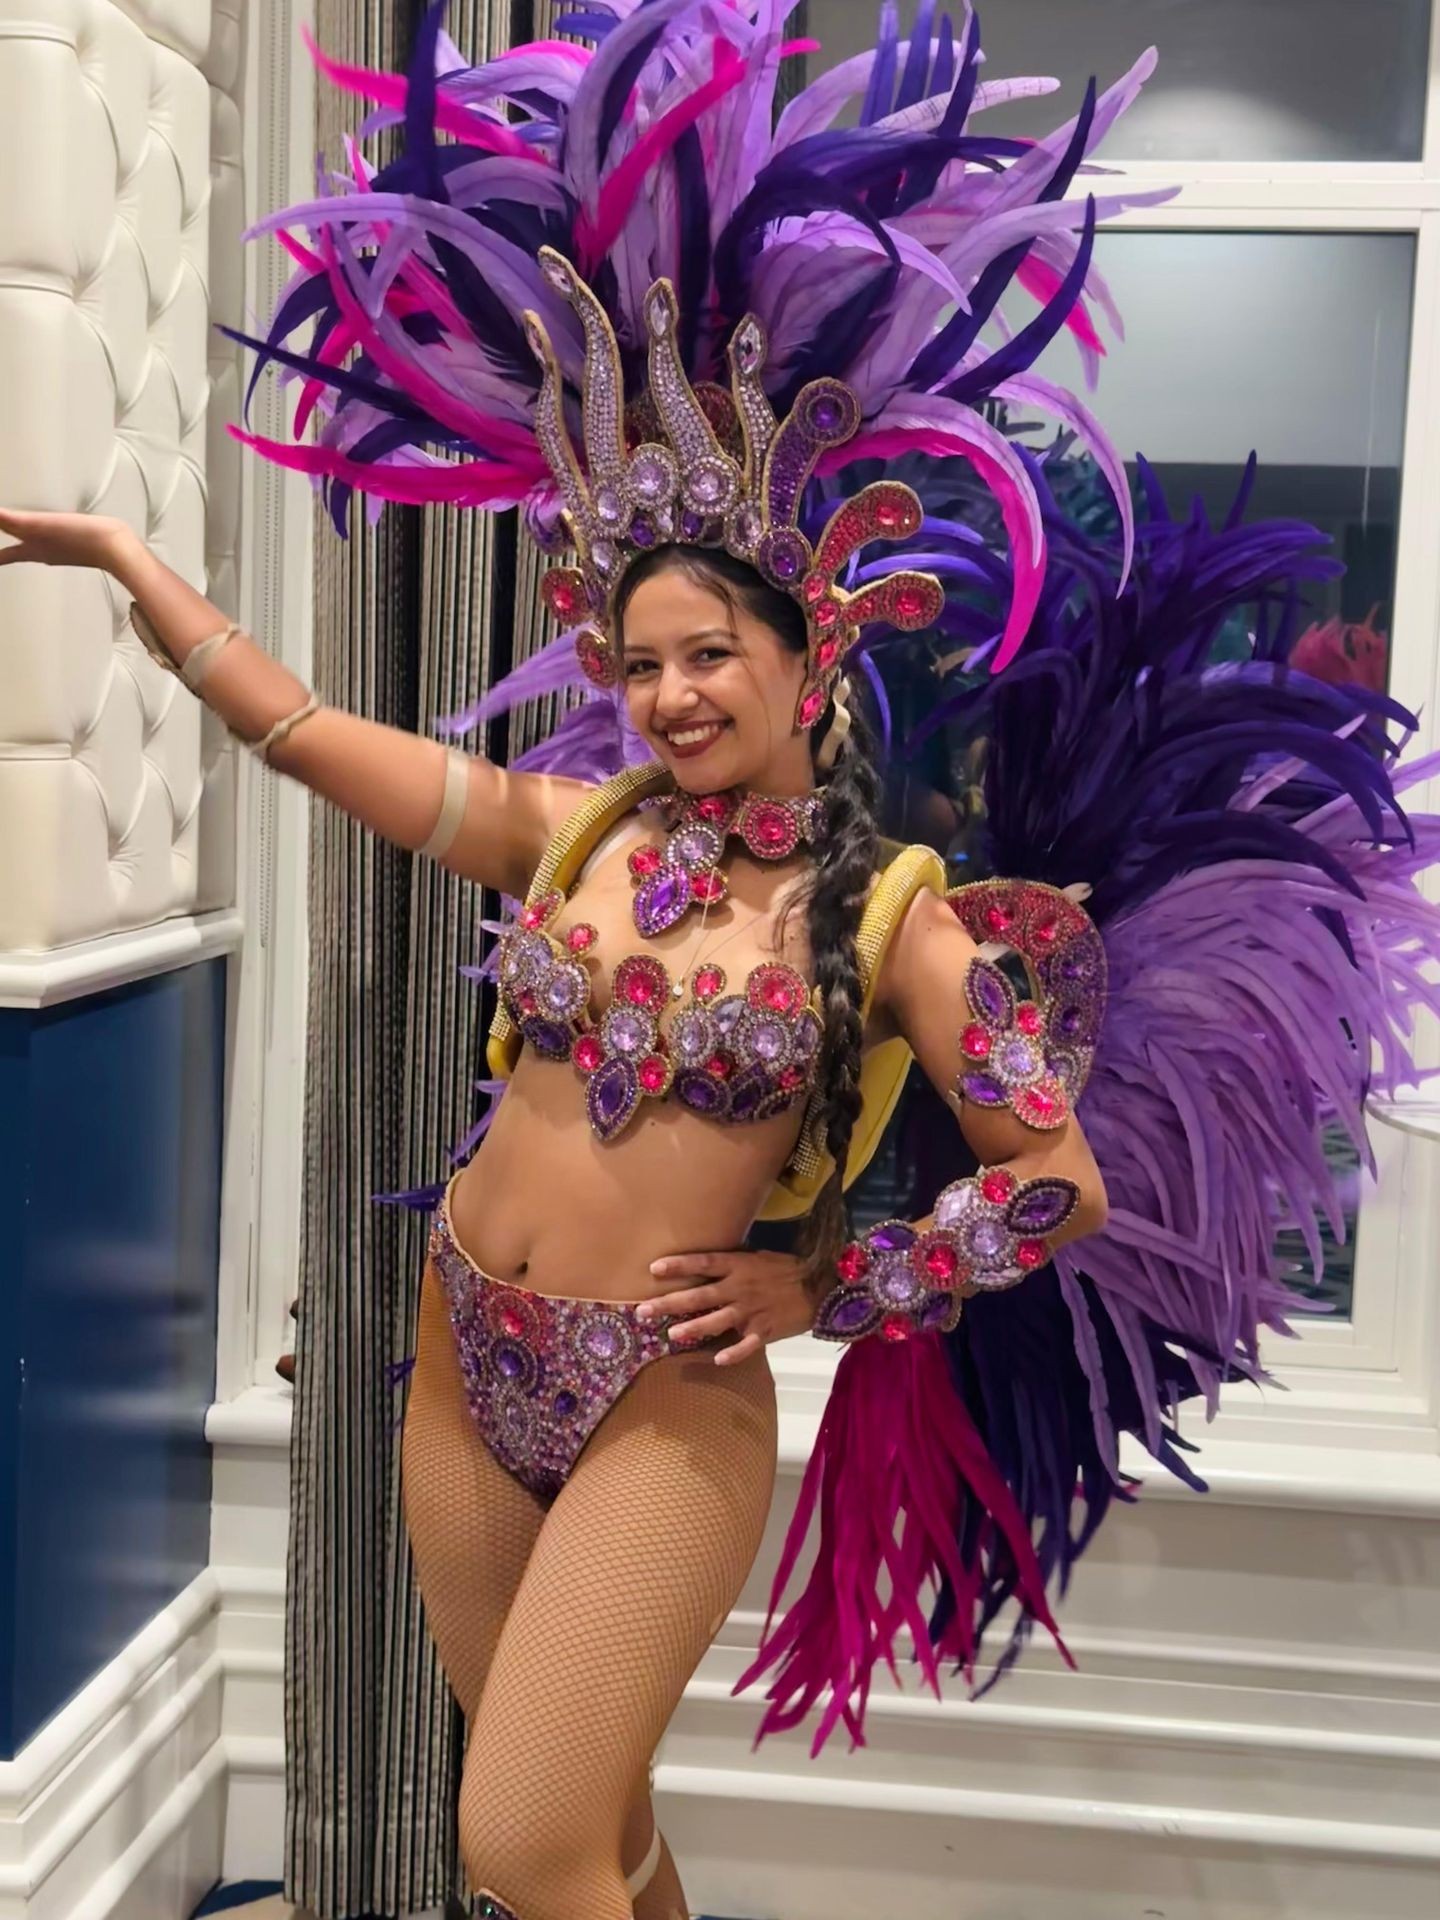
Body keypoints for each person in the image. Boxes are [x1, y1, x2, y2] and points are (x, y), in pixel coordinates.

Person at [4, 6, 1438, 1918]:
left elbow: (1059, 1183)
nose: (669, 694)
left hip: (660, 1399)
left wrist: (824, 1279)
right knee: (586, 1830)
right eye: (641, 660)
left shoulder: (891, 916)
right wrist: (130, 566)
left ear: (805, 663)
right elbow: (301, 733)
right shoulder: (569, 824)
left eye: (710, 657)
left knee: (512, 1843)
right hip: (458, 1353)